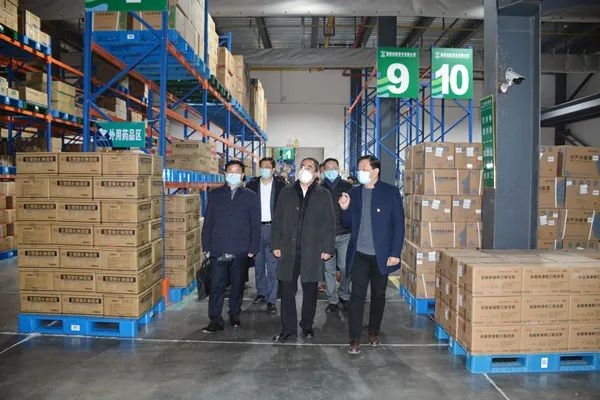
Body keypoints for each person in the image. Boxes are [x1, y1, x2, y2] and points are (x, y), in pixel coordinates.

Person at [339, 155, 405, 354]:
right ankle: (355, 338)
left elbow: (398, 225)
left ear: (375, 171)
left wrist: (395, 252)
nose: (360, 172)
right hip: (359, 253)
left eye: (364, 169)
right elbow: (347, 223)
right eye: (359, 169)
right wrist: (344, 208)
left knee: (378, 294)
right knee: (356, 296)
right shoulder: (354, 193)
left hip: (381, 255)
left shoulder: (390, 192)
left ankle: (374, 331)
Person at [271, 157, 336, 342]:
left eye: (309, 167)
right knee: (287, 292)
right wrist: (275, 244)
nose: (304, 169)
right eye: (302, 166)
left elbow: (329, 223)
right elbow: (277, 219)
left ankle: (307, 325)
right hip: (288, 251)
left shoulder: (323, 194)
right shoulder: (286, 192)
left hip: (312, 252)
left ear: (316, 173)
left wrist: (328, 247)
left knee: (310, 292)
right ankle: (288, 329)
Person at [201, 160, 261, 333]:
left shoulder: (250, 196)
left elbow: (255, 224)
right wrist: (206, 246)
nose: (233, 174)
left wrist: (253, 247)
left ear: (242, 175)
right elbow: (208, 222)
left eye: (237, 171)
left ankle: (234, 313)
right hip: (218, 247)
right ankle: (215, 319)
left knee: (237, 284)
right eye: (230, 171)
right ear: (225, 174)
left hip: (241, 248)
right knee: (216, 285)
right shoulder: (215, 195)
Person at [246, 157, 287, 314]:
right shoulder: (251, 185)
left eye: (268, 167)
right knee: (258, 264)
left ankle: (272, 299)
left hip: (273, 229)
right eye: (262, 166)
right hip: (256, 228)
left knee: (273, 266)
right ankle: (261, 292)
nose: (265, 169)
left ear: (273, 169)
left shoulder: (281, 187)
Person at [320, 158, 353, 313]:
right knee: (329, 269)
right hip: (326, 236)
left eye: (334, 167)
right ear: (324, 170)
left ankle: (345, 295)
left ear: (338, 169)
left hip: (345, 234)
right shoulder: (319, 188)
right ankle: (332, 300)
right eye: (328, 168)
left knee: (345, 267)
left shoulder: (348, 186)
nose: (331, 170)